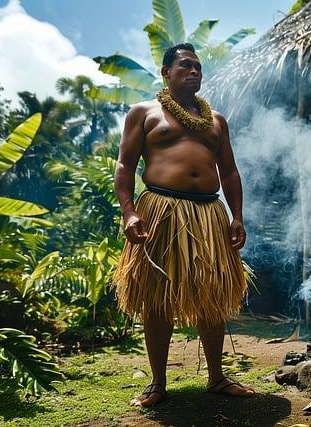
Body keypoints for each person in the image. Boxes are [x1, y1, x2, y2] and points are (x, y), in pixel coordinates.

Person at [112, 43, 255, 407]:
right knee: (157, 296)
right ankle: (158, 383)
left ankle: (217, 377)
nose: (194, 71)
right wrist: (129, 211)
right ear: (166, 72)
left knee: (212, 294)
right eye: (185, 65)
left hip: (209, 214)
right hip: (161, 210)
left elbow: (230, 171)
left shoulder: (216, 120)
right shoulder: (144, 113)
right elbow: (125, 165)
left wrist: (236, 215)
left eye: (198, 67)